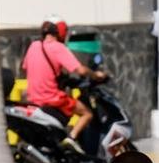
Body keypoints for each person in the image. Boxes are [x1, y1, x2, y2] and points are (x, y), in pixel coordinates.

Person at [22, 19, 105, 147]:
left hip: (32, 100)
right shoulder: (58, 47)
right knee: (87, 113)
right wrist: (96, 75)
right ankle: (71, 139)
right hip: (52, 99)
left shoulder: (33, 46)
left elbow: (26, 67)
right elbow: (81, 70)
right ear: (59, 32)